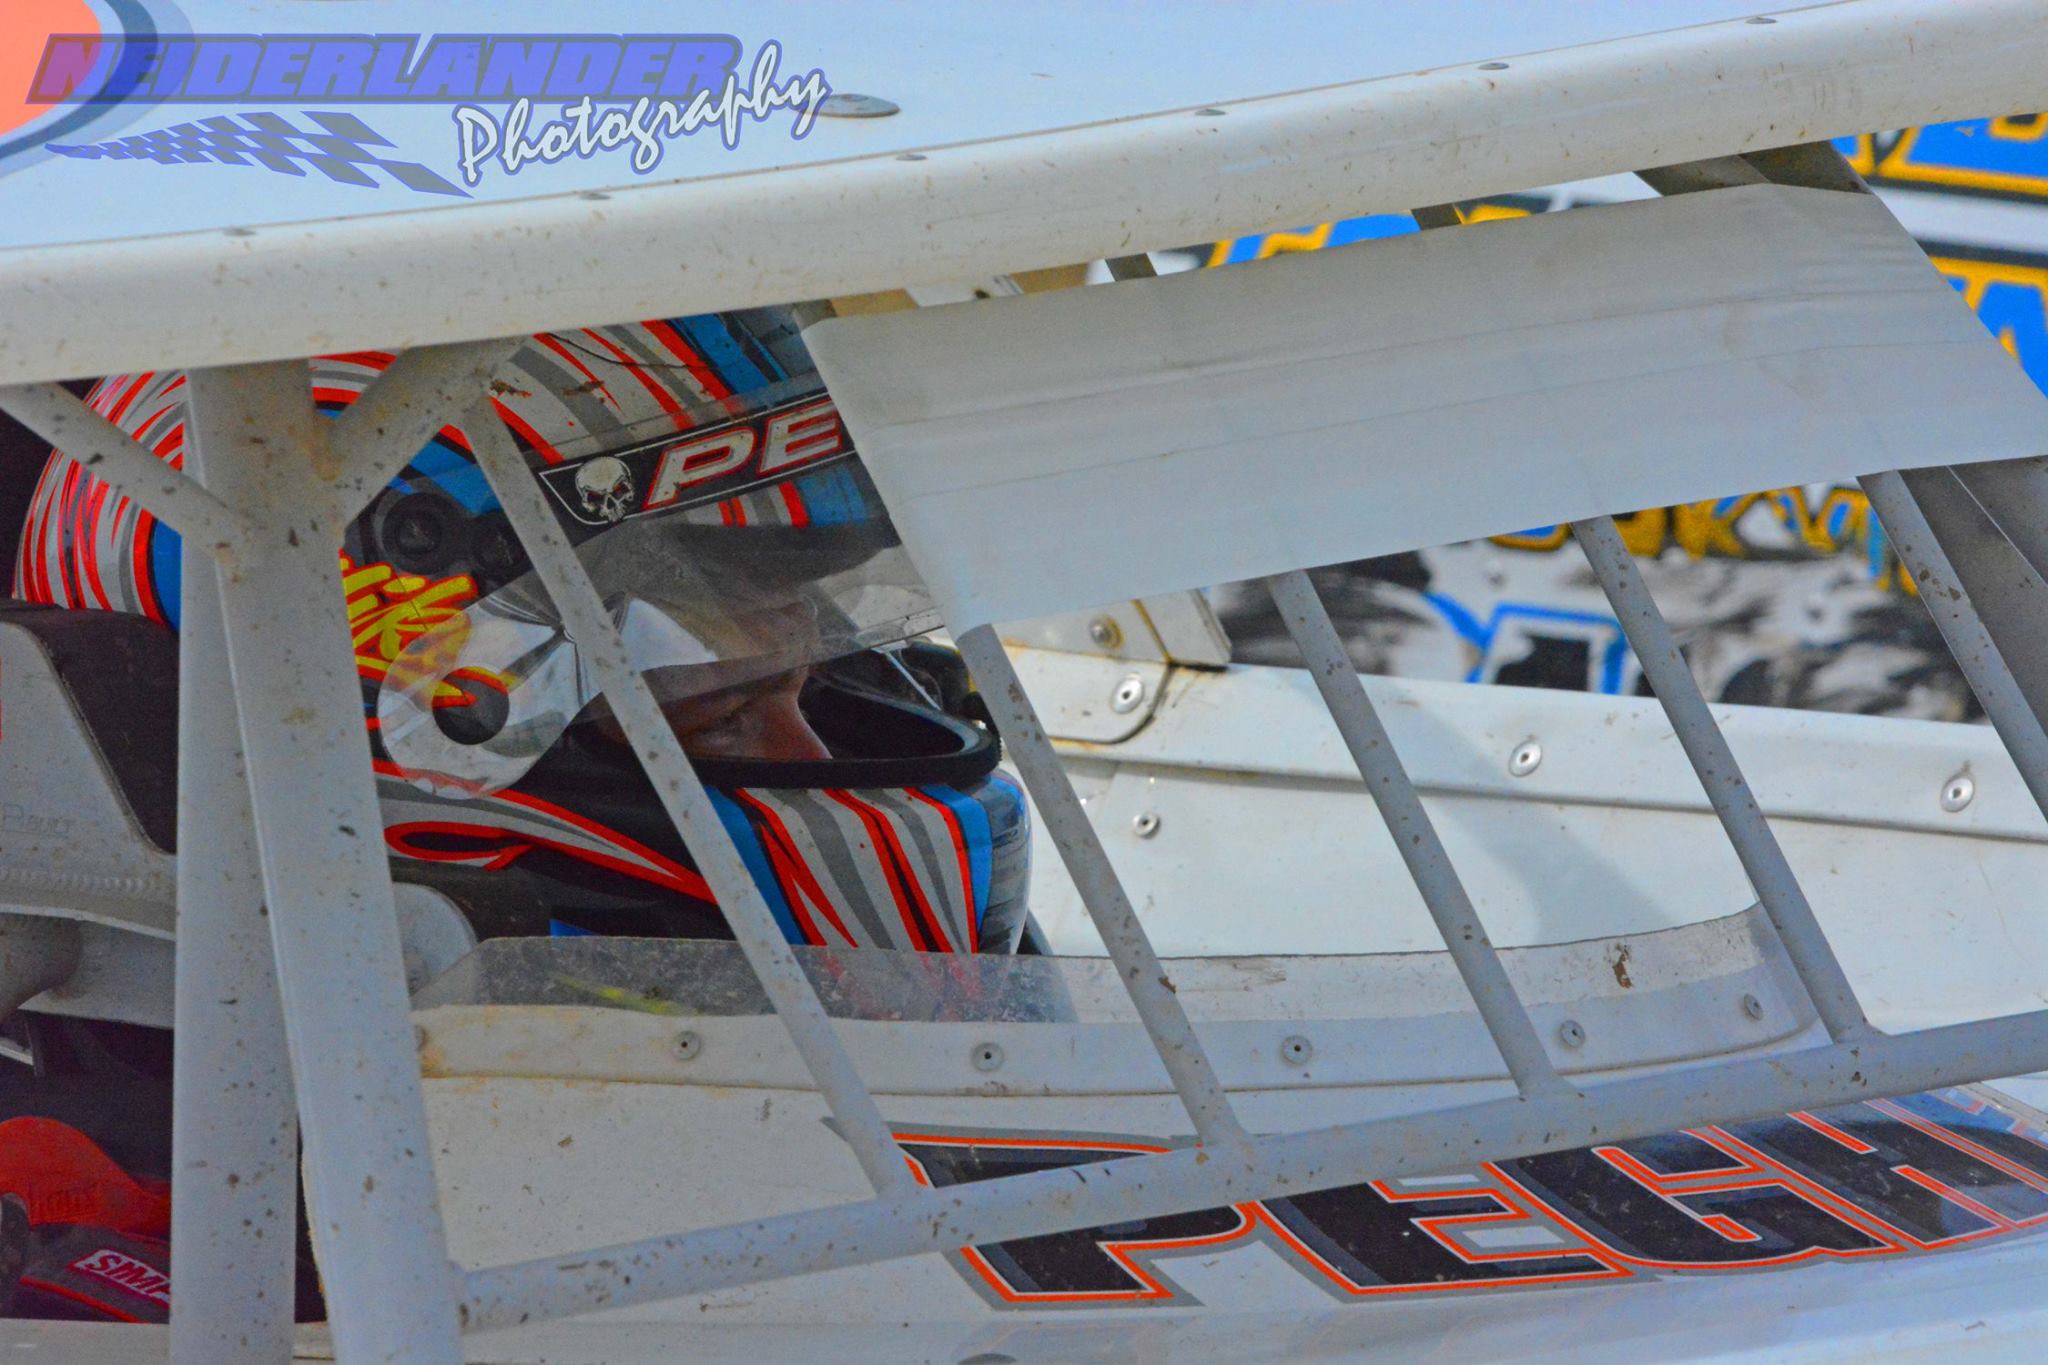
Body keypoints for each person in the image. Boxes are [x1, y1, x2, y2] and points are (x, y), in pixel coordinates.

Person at [0, 307, 1033, 1320]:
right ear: (416, 729)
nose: (818, 763)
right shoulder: (144, 1268)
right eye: (718, 721)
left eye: (802, 682)